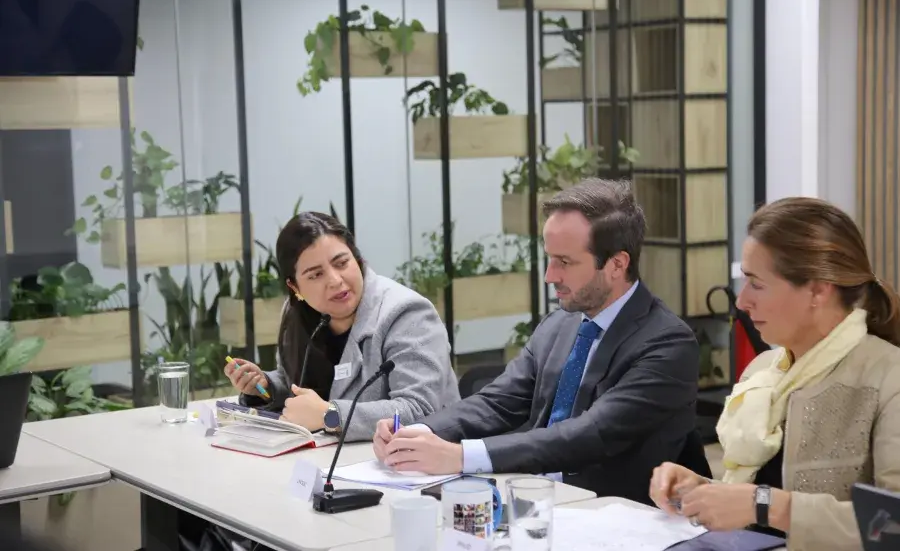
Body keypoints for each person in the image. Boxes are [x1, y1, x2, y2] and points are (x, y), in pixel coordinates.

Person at [373, 178, 702, 504]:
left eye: (565, 262)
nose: (549, 276)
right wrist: (419, 431)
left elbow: (590, 434)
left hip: (614, 515)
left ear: (617, 264)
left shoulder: (667, 344)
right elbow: (499, 401)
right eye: (550, 258)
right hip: (537, 501)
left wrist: (459, 456)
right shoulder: (561, 323)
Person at [649, 197, 900, 550]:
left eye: (756, 283)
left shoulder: (890, 378)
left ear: (817, 289)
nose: (741, 301)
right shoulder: (764, 370)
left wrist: (765, 505)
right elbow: (760, 503)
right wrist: (703, 492)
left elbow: (893, 527)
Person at [224, 211, 460, 442]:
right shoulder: (297, 314)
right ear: (295, 287)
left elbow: (419, 410)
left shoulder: (407, 312)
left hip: (407, 465)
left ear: (357, 259)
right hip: (329, 460)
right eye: (316, 275)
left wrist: (331, 416)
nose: (335, 281)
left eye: (341, 263)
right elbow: (302, 386)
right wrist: (267, 387)